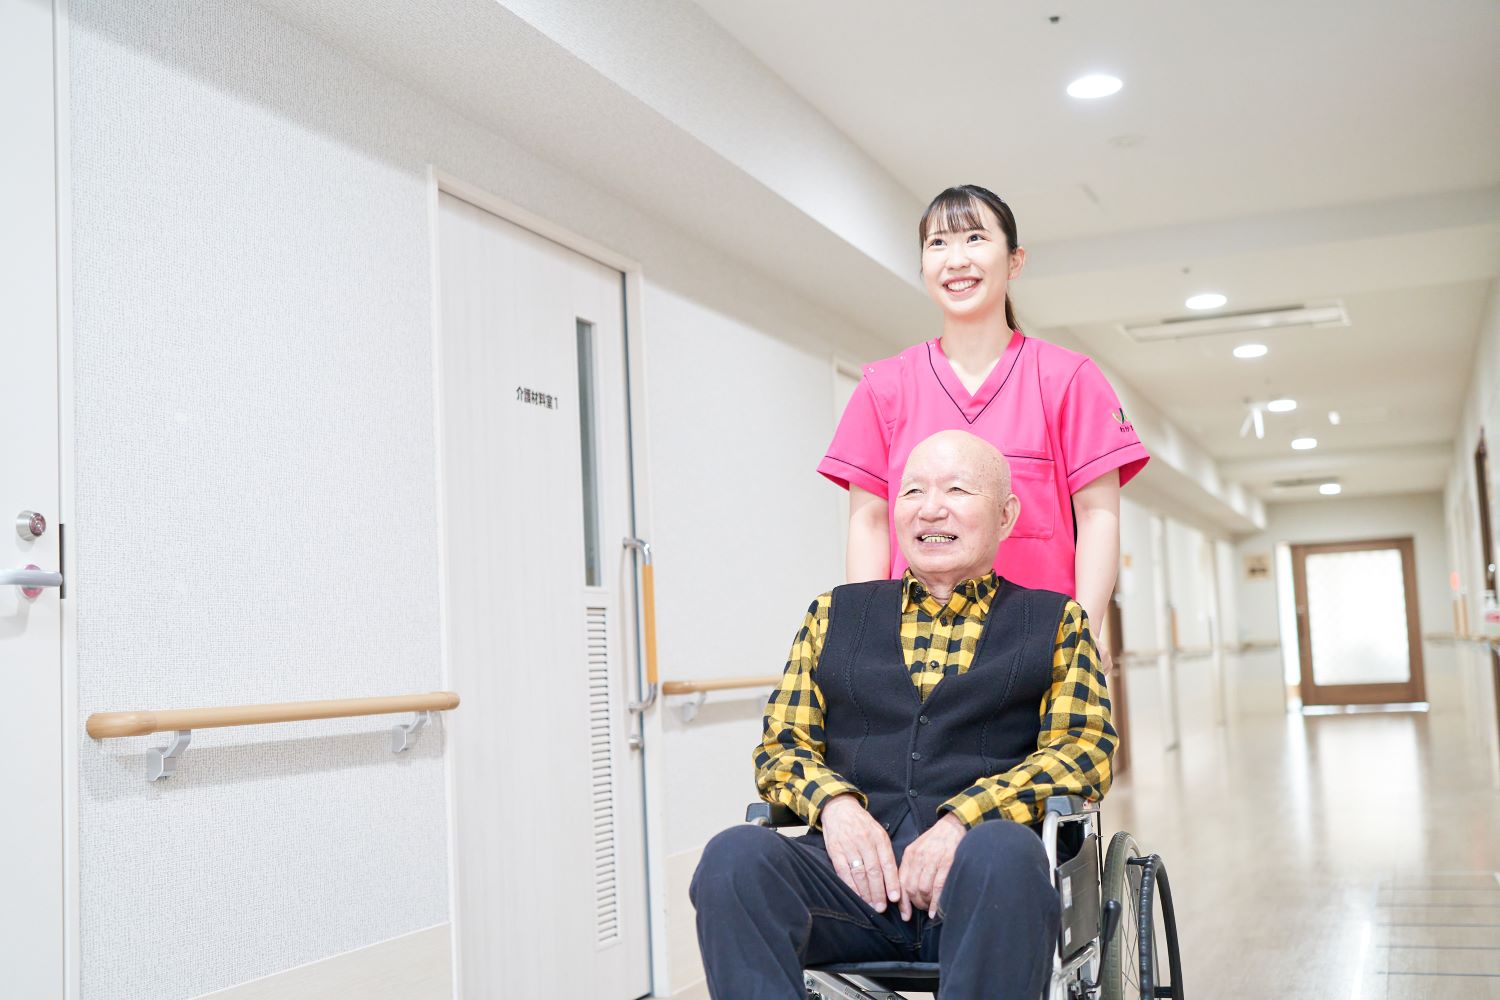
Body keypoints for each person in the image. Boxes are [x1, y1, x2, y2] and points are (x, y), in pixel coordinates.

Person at [691, 430, 1116, 999]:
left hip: (980, 892)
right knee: (732, 857)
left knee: (1006, 850)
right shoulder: (833, 615)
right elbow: (781, 745)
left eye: (957, 489)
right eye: (912, 491)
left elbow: (1082, 751)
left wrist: (963, 821)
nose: (930, 507)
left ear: (1006, 514)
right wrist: (835, 806)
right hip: (847, 890)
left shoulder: (1055, 621)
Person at [819, 184, 1148, 644]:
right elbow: (869, 522)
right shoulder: (883, 387)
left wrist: (1085, 635)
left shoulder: (1068, 379)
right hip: (917, 651)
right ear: (923, 266)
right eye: (938, 243)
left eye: (975, 238)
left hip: (1039, 647)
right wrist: (869, 644)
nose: (955, 259)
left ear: (1015, 261)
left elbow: (1098, 517)